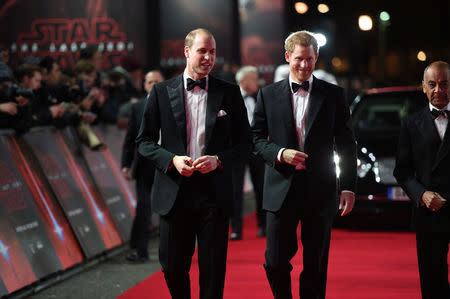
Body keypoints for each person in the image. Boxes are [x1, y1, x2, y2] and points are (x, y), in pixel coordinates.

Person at [136, 28, 251, 298]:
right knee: (172, 267)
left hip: (215, 194)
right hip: (175, 192)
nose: (208, 57)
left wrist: (219, 160)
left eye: (212, 52)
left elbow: (246, 144)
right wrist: (172, 160)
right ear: (187, 52)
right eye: (202, 51)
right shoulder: (161, 92)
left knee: (212, 273)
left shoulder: (230, 93)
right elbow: (144, 141)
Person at [251, 30, 357, 299]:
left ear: (316, 57)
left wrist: (347, 186)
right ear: (287, 57)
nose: (304, 65)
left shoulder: (333, 95)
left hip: (319, 190)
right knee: (274, 262)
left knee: (315, 265)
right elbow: (255, 139)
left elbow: (346, 143)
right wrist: (279, 153)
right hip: (280, 188)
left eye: (310, 59)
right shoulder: (267, 95)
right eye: (299, 59)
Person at [394, 61, 450, 299]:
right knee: (432, 281)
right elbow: (402, 171)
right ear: (424, 88)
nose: (438, 90)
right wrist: (421, 194)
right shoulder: (410, 123)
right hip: (429, 213)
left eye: (445, 83)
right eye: (432, 84)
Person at [121, 70, 164, 262]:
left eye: (157, 81)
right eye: (150, 82)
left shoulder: (175, 104)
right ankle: (140, 250)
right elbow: (130, 138)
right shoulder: (137, 107)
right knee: (144, 208)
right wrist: (125, 164)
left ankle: (171, 250)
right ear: (144, 85)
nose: (153, 85)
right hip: (144, 165)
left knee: (168, 208)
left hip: (169, 163)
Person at [230, 65, 265, 240]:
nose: (257, 82)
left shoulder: (261, 97)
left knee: (261, 188)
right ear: (243, 80)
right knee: (234, 190)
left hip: (257, 149)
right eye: (253, 78)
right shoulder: (230, 98)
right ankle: (236, 229)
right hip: (236, 150)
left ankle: (263, 226)